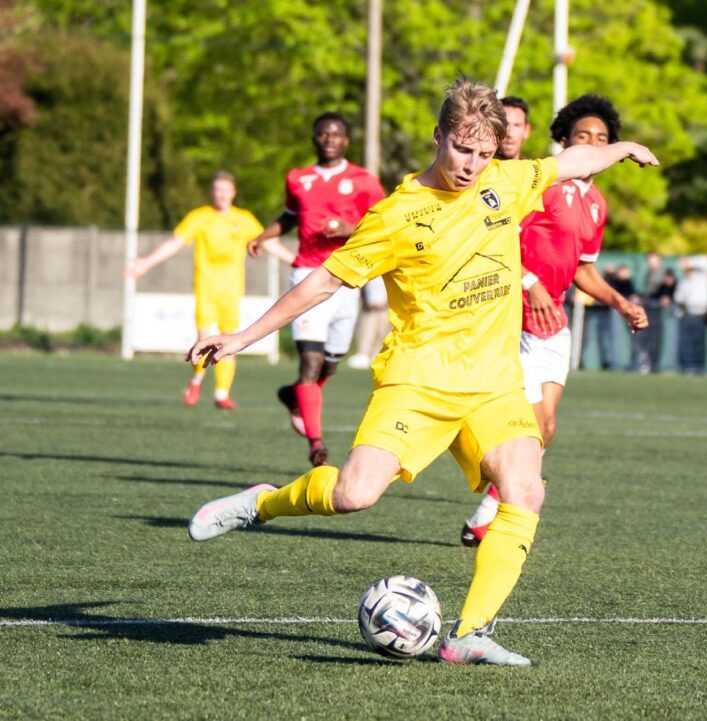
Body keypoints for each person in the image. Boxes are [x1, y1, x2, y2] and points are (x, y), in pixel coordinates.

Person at [184, 78, 659, 666]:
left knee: (525, 490)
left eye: (484, 153)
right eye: (462, 149)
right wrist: (240, 338)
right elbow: (324, 281)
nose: (471, 165)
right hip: (419, 381)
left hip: (492, 383)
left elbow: (572, 160)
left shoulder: (503, 183)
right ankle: (263, 503)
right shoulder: (398, 215)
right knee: (354, 494)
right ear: (438, 137)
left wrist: (623, 149)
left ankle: (470, 634)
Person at [460, 94, 648, 547]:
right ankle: (497, 511)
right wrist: (529, 282)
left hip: (553, 322)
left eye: (602, 139)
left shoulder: (596, 204)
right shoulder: (537, 184)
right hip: (511, 316)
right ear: (563, 140)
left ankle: (484, 515)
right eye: (583, 136)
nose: (592, 144)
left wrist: (621, 303)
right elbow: (495, 241)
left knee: (546, 428)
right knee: (525, 426)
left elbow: (583, 269)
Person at [248, 112, 387, 467]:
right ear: (314, 137)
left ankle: (295, 396)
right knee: (310, 360)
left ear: (346, 140)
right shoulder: (298, 178)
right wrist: (265, 235)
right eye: (323, 133)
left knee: (330, 364)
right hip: (308, 275)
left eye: (336, 133)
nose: (329, 138)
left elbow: (384, 225)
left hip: (346, 279)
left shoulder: (363, 181)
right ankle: (315, 443)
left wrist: (348, 230)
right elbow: (290, 215)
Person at [125, 171, 266, 409]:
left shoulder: (244, 219)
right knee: (204, 339)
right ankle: (197, 379)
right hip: (206, 287)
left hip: (232, 291)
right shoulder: (200, 217)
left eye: (226, 190)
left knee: (230, 341)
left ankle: (221, 394)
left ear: (233, 192)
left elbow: (268, 241)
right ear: (212, 192)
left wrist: (299, 260)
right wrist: (146, 263)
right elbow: (175, 242)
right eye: (217, 190)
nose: (221, 194)